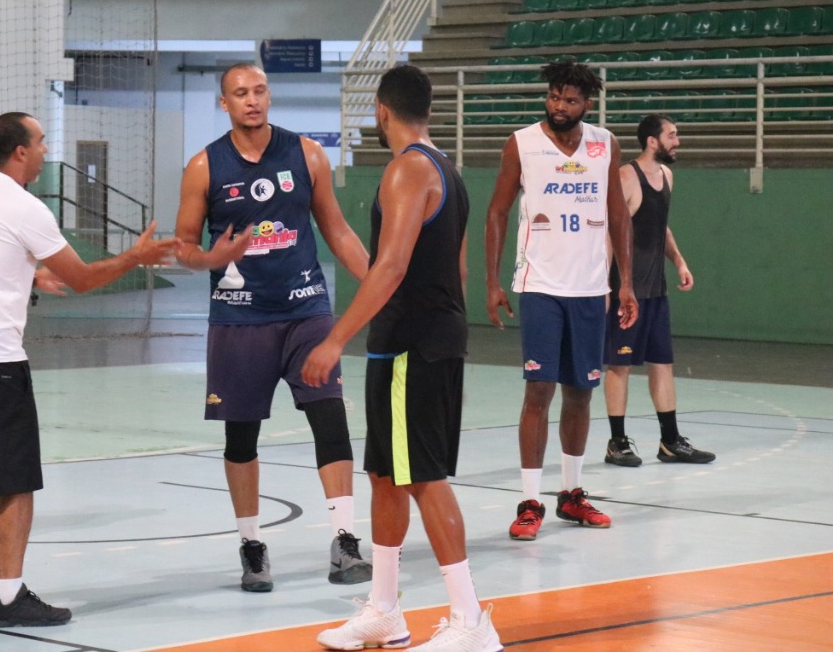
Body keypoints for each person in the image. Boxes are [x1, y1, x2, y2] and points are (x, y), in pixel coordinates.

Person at [0, 111, 180, 626]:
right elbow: (86, 278)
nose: (46, 150)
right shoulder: (25, 207)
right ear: (19, 151)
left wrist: (28, 273)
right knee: (15, 481)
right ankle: (7, 598)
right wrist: (136, 256)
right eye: (41, 142)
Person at [303, 65, 502, 652]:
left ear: (381, 111)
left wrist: (336, 337)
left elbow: (389, 267)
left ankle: (470, 621)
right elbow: (457, 270)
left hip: (415, 346)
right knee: (386, 476)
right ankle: (385, 609)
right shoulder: (448, 171)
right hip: (417, 341)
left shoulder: (408, 169)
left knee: (424, 478)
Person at [174, 62, 373, 593]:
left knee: (329, 419)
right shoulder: (203, 167)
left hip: (307, 311)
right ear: (225, 104)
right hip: (239, 319)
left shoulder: (307, 154)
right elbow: (184, 249)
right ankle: (252, 544)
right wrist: (211, 258)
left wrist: (380, 282)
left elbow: (337, 230)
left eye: (259, 90)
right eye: (240, 93)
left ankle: (346, 538)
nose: (252, 100)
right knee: (242, 437)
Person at [485, 59, 638, 542]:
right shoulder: (521, 143)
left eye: (570, 100)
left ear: (586, 104)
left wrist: (626, 281)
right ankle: (530, 501)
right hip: (540, 286)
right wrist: (492, 281)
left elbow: (618, 214)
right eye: (554, 97)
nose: (559, 106)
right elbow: (497, 212)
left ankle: (571, 494)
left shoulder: (604, 144)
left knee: (581, 391)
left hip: (591, 287)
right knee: (538, 391)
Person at [603, 115, 715, 467]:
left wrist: (679, 262)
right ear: (653, 141)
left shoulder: (667, 176)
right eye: (672, 135)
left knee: (662, 363)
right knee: (619, 365)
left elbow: (661, 228)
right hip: (627, 291)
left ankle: (670, 441)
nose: (677, 141)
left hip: (656, 290)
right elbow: (609, 233)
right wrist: (609, 287)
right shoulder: (625, 177)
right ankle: (617, 443)